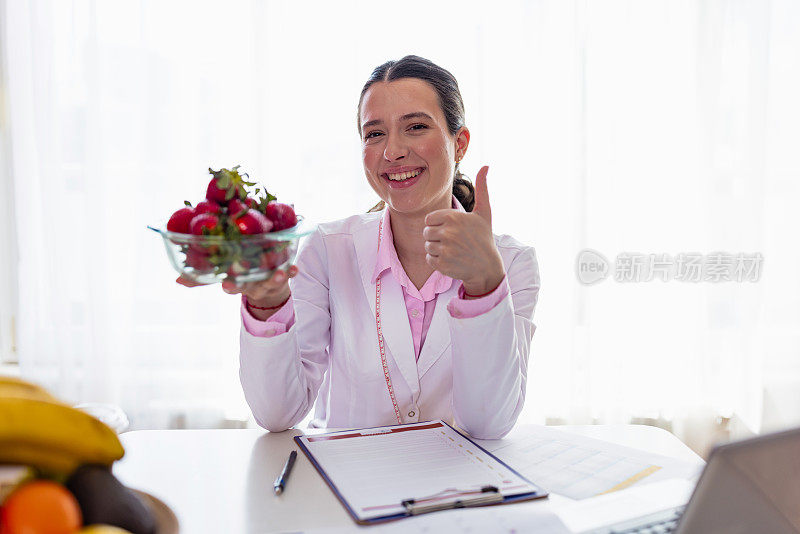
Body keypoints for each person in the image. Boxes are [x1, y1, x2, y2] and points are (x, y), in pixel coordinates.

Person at [181, 55, 540, 439]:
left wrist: (484, 284)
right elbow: (278, 413)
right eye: (374, 133)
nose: (393, 151)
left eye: (416, 127)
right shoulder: (327, 249)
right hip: (341, 486)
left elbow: (490, 423)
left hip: (458, 490)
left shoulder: (512, 262)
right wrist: (267, 305)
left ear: (460, 143)